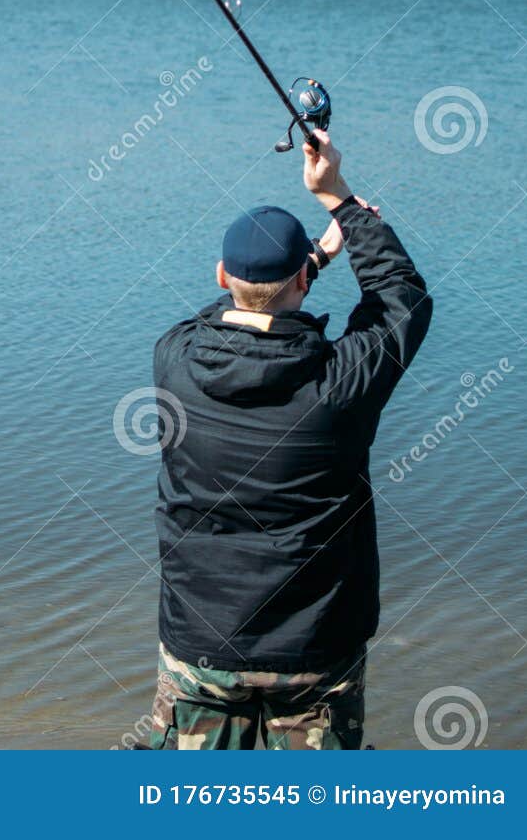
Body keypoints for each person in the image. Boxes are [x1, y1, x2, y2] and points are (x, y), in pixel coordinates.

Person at [147, 129, 431, 750]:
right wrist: (341, 205)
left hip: (201, 640)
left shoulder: (174, 360)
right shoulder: (340, 384)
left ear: (222, 274)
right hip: (315, 648)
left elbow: (226, 312)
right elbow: (400, 300)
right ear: (301, 277)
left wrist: (312, 261)